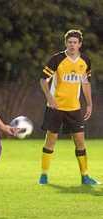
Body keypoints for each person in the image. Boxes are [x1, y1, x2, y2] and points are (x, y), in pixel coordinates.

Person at [39, 29, 99, 185]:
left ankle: (85, 177)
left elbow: (85, 83)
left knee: (80, 142)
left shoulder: (85, 61)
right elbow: (43, 80)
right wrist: (50, 98)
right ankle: (44, 175)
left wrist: (89, 104)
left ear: (80, 44)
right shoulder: (57, 59)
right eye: (69, 42)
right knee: (50, 140)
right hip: (56, 107)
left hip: (74, 108)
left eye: (75, 42)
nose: (72, 45)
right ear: (66, 43)